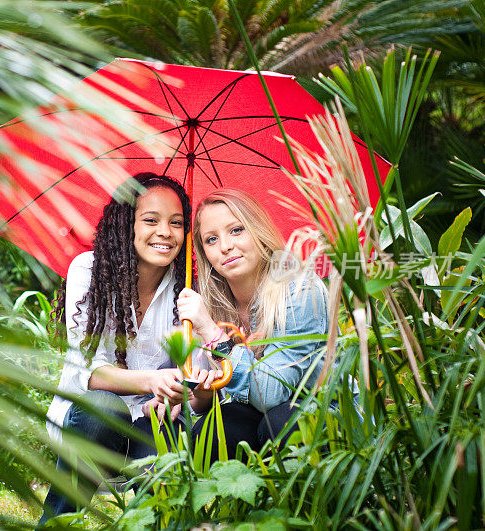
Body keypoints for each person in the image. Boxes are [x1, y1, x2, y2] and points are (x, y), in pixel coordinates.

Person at [40, 173, 217, 523]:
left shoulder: (188, 296)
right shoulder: (88, 272)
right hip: (90, 422)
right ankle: (57, 522)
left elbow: (201, 395)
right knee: (105, 407)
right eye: (151, 220)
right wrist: (154, 379)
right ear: (126, 225)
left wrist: (185, 390)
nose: (165, 232)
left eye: (177, 222)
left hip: (149, 424)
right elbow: (89, 373)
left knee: (166, 432)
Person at [177, 188, 328, 461]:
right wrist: (202, 392)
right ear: (204, 253)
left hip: (318, 411)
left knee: (283, 422)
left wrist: (214, 336)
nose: (225, 246)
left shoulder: (299, 289)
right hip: (260, 412)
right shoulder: (212, 304)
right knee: (213, 430)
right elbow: (230, 397)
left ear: (257, 229)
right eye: (211, 239)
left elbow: (273, 394)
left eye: (236, 230)